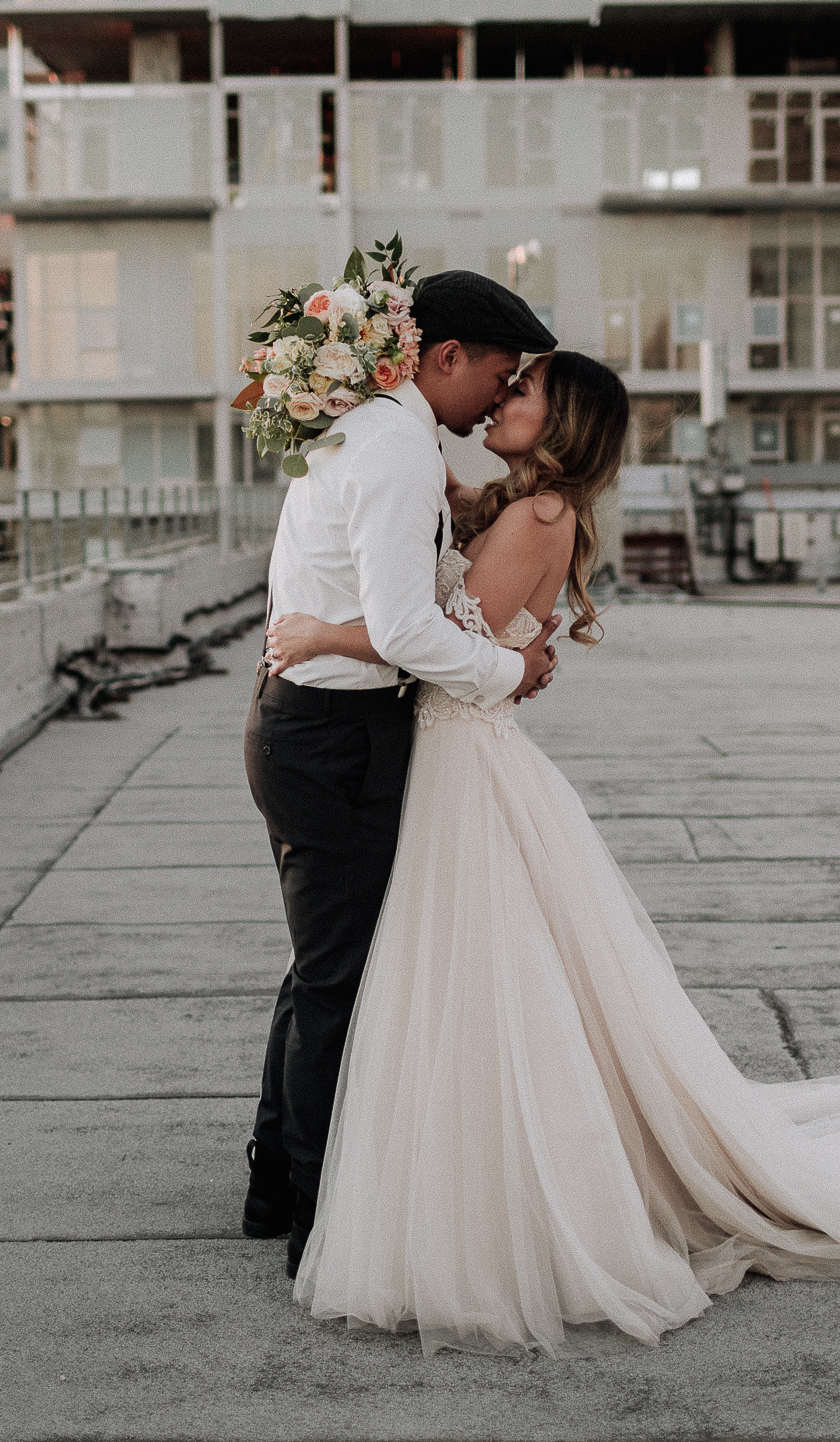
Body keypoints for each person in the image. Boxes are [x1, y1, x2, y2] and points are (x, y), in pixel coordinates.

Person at [264, 349, 840, 1356]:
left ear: (565, 424)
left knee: (479, 988)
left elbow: (447, 646)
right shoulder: (518, 503)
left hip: (461, 761)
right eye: (505, 383)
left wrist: (330, 629)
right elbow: (459, 573)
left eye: (524, 392)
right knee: (468, 985)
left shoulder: (537, 516)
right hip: (455, 757)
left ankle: (482, 1184)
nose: (503, 398)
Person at [243, 268, 560, 1282]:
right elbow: (405, 628)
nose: (498, 399)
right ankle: (314, 1218)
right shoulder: (390, 446)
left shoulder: (388, 434)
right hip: (332, 735)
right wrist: (508, 669)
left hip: (324, 724)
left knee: (318, 966)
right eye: (498, 376)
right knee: (338, 979)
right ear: (445, 357)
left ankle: (273, 1184)